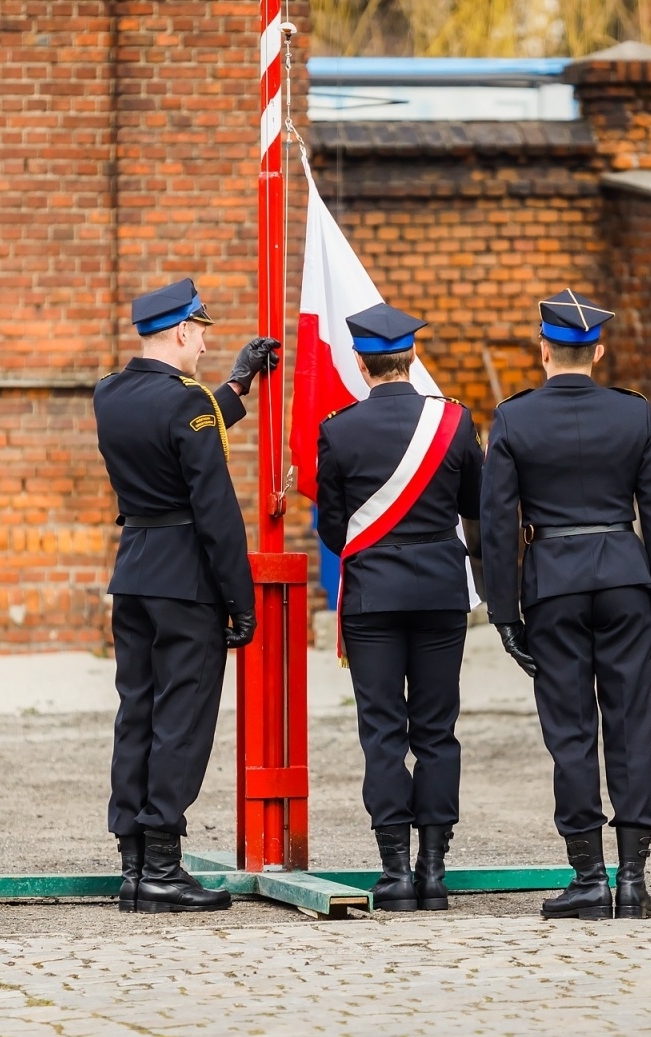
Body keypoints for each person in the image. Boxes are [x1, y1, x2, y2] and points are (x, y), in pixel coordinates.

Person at [480, 289, 651, 921]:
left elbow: (496, 524)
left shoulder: (514, 419)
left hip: (553, 587)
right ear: (598, 350)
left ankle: (589, 879)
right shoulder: (633, 416)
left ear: (543, 349)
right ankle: (634, 882)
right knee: (630, 727)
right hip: (626, 580)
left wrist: (504, 612)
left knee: (570, 731)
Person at [93, 278, 279, 914]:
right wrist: (241, 599)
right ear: (179, 331)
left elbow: (179, 425)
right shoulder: (185, 402)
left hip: (136, 571)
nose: (203, 342)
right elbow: (216, 510)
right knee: (182, 721)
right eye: (200, 332)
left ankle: (134, 866)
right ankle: (166, 869)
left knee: (137, 713)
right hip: (187, 580)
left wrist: (236, 385)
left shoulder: (110, 394)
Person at [314, 302, 484, 912]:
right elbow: (476, 506)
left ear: (360, 362)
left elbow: (334, 532)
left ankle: (392, 876)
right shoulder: (455, 423)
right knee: (437, 731)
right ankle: (433, 872)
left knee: (383, 732)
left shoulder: (337, 430)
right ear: (412, 358)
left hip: (372, 598)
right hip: (440, 592)